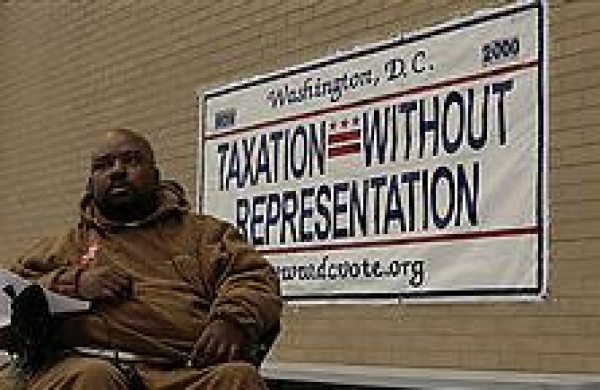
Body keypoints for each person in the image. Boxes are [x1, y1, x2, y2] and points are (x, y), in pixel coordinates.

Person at [3, 128, 282, 389]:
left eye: (132, 161)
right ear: (90, 183)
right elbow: (9, 298)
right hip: (83, 363)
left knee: (238, 378)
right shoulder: (62, 244)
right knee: (94, 377)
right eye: (103, 165)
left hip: (182, 369)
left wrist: (231, 320)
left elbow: (253, 277)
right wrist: (72, 283)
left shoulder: (205, 235)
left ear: (156, 174)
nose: (117, 172)